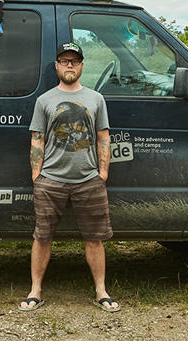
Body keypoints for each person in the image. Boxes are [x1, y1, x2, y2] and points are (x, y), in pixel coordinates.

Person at [21, 42, 119, 313]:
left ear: (81, 66)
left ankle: (101, 291)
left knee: (94, 238)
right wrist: (36, 175)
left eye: (74, 61)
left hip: (88, 180)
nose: (69, 66)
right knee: (42, 237)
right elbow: (37, 138)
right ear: (57, 66)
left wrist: (103, 173)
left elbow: (103, 136)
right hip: (50, 180)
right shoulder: (44, 101)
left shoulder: (95, 99)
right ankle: (35, 290)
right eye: (64, 61)